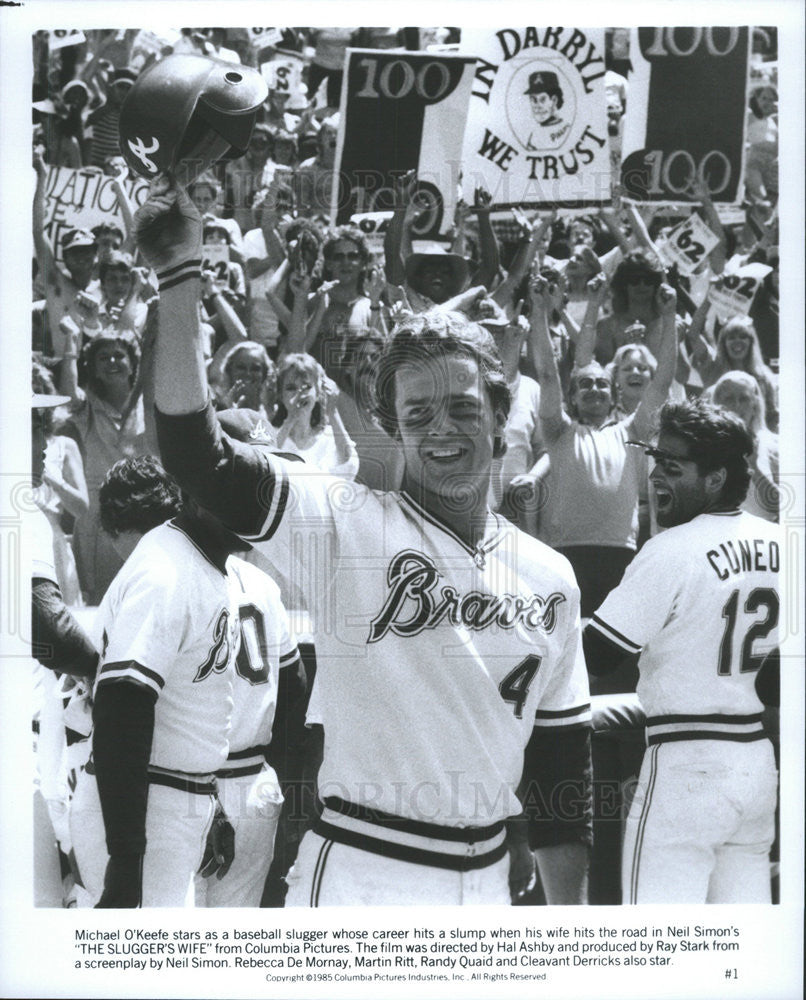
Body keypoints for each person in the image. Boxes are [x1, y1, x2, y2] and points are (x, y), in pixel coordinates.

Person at [141, 174, 593, 906]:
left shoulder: (551, 576)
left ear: (501, 410)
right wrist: (179, 277)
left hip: (486, 889)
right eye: (418, 414)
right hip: (361, 867)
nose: (441, 430)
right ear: (392, 424)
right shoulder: (342, 522)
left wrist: (569, 930)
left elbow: (560, 770)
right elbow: (200, 456)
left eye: (462, 408)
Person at [584, 400, 780, 903]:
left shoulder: (671, 549)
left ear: (715, 479)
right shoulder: (785, 546)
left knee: (659, 950)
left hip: (685, 762)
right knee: (739, 948)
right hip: (756, 763)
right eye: (655, 461)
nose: (655, 476)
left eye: (672, 465)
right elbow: (778, 680)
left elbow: (598, 657)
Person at [69, 457, 239, 907]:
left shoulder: (198, 559)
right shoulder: (166, 568)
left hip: (168, 801)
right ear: (197, 494)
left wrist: (208, 800)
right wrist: (125, 859)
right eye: (247, 490)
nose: (260, 508)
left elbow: (186, 704)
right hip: (145, 808)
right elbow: (123, 706)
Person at [271, 353, 359, 479]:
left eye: (306, 387)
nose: (299, 393)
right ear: (280, 394)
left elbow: (350, 468)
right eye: (291, 388)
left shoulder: (330, 437)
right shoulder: (272, 435)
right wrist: (291, 420)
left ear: (318, 393)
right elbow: (265, 466)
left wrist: (332, 412)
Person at [710, 371, 779, 522]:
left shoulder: (773, 445)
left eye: (744, 399)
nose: (737, 405)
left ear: (754, 404)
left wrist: (753, 465)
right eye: (729, 399)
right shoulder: (703, 446)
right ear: (717, 403)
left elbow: (784, 507)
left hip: (762, 538)